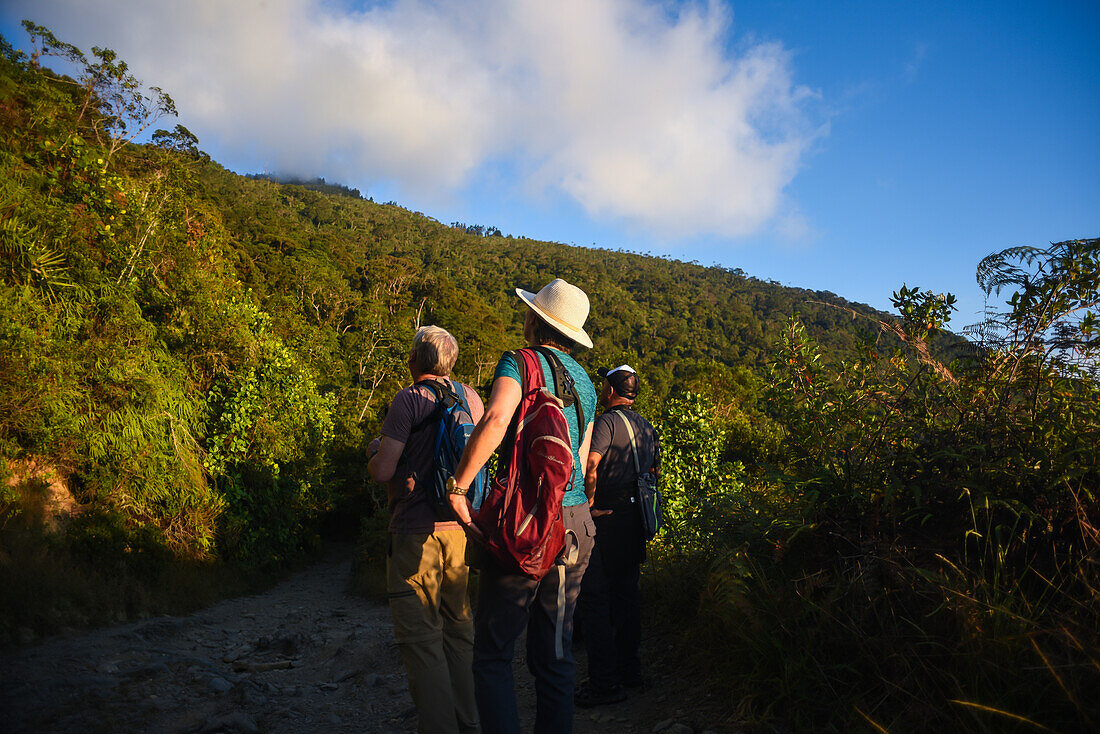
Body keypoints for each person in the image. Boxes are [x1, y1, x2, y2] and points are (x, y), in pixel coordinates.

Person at [447, 278, 598, 734]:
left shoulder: (519, 361)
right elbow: (581, 459)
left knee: (492, 653)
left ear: (535, 321)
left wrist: (459, 487)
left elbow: (495, 419)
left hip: (526, 521)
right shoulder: (588, 385)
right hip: (574, 524)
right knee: (554, 654)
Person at [367, 325, 481, 734]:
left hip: (415, 533)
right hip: (461, 531)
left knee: (422, 642)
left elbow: (383, 471)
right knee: (459, 632)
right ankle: (470, 722)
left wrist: (374, 452)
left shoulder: (409, 399)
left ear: (415, 359)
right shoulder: (472, 398)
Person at [575, 364, 659, 707]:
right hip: (636, 520)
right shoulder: (646, 426)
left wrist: (589, 505)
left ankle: (604, 683)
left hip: (608, 518)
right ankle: (631, 671)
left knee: (595, 598)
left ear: (610, 391)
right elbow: (654, 472)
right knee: (627, 596)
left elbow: (592, 464)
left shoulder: (607, 422)